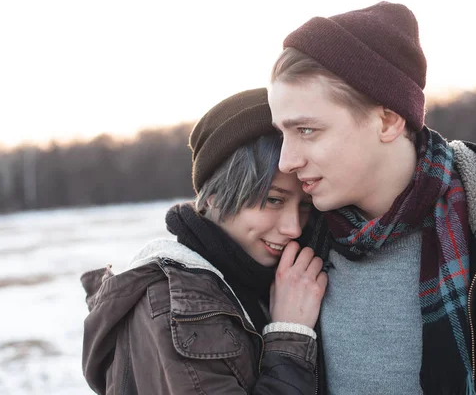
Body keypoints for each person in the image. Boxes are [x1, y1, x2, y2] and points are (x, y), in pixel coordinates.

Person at [267, 1, 476, 395]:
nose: (287, 161)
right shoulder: (292, 244)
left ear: (388, 120)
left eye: (306, 130)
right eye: (282, 134)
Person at [81, 88, 328, 394]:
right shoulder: (175, 307)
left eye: (305, 205)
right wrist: (290, 335)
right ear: (213, 196)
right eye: (274, 200)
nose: (293, 227)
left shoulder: (254, 279)